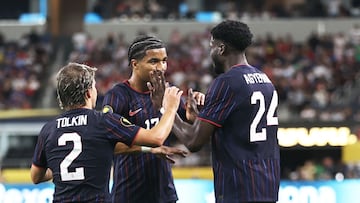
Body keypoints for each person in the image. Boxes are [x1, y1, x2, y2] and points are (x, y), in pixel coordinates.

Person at [152, 20, 281, 203]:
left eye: (211, 47)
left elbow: (194, 142)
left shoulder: (227, 82)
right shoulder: (265, 80)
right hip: (267, 186)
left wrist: (165, 108)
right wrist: (199, 119)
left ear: (221, 49)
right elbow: (238, 127)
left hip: (239, 189)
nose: (209, 53)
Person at [30, 62, 186, 203]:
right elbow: (156, 137)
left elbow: (36, 176)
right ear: (88, 93)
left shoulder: (48, 129)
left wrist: (61, 171)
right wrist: (170, 108)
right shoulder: (103, 121)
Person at [102, 35, 204, 203]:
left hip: (164, 194)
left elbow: (190, 136)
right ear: (135, 64)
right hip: (128, 194)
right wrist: (148, 148)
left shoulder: (168, 93)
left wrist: (193, 118)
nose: (161, 67)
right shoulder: (118, 96)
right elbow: (108, 145)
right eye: (154, 61)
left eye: (164, 61)